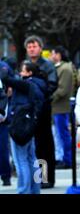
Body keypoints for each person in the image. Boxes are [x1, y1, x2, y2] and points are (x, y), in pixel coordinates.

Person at [2, 61, 47, 194]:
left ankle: (23, 191)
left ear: (29, 73)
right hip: (29, 126)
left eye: (22, 71)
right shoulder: (38, 84)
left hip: (21, 127)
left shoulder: (27, 84)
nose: (20, 74)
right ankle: (34, 190)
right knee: (31, 159)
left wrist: (4, 70)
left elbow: (6, 78)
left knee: (21, 161)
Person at [24, 35, 58, 188]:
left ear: (40, 48)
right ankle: (37, 179)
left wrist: (40, 97)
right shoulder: (24, 65)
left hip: (43, 109)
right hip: (29, 110)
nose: (32, 49)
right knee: (34, 146)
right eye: (29, 46)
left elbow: (52, 86)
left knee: (45, 144)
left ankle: (47, 178)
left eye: (34, 46)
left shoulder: (48, 65)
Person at [50, 46, 74, 169]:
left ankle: (68, 159)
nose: (50, 56)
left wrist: (50, 98)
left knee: (63, 134)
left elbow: (62, 90)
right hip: (57, 107)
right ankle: (61, 158)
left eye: (52, 53)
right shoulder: (60, 67)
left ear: (58, 54)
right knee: (58, 135)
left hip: (61, 107)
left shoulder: (65, 68)